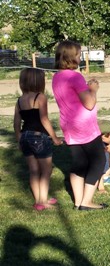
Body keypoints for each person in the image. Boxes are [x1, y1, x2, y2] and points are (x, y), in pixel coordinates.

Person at [51, 40, 107, 210]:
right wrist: (93, 89)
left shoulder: (57, 77)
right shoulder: (75, 76)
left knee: (79, 162)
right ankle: (87, 201)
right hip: (84, 125)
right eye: (78, 54)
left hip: (68, 125)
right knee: (98, 161)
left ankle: (77, 201)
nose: (80, 57)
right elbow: (89, 103)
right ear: (71, 57)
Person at [13, 67, 64, 210]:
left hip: (25, 137)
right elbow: (44, 119)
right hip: (39, 137)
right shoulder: (40, 97)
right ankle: (43, 200)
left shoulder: (19, 101)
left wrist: (19, 140)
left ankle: (38, 201)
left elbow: (16, 123)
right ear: (38, 82)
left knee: (34, 171)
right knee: (46, 170)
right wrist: (54, 138)